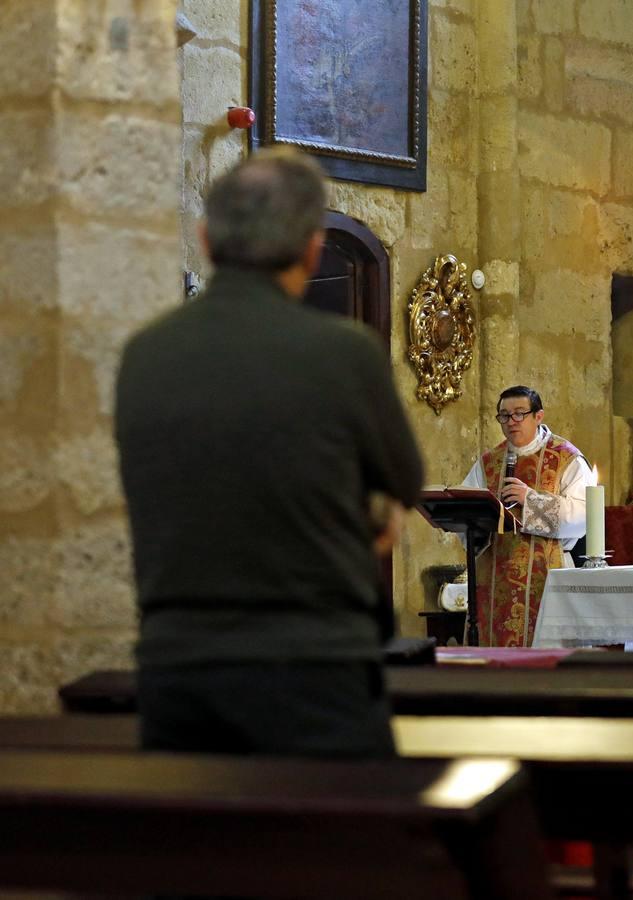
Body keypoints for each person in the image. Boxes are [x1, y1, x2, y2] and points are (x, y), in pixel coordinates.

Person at [115, 148, 424, 758]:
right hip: (313, 666)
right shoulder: (345, 353)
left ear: (205, 239)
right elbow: (405, 481)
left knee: (203, 850)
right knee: (326, 849)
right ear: (311, 248)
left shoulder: (144, 354)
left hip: (178, 669)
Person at [459, 386, 595, 646]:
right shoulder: (488, 463)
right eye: (504, 416)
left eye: (519, 414)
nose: (512, 422)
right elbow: (467, 510)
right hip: (496, 575)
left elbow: (583, 515)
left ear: (539, 416)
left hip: (547, 574)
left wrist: (530, 501)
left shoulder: (566, 458)